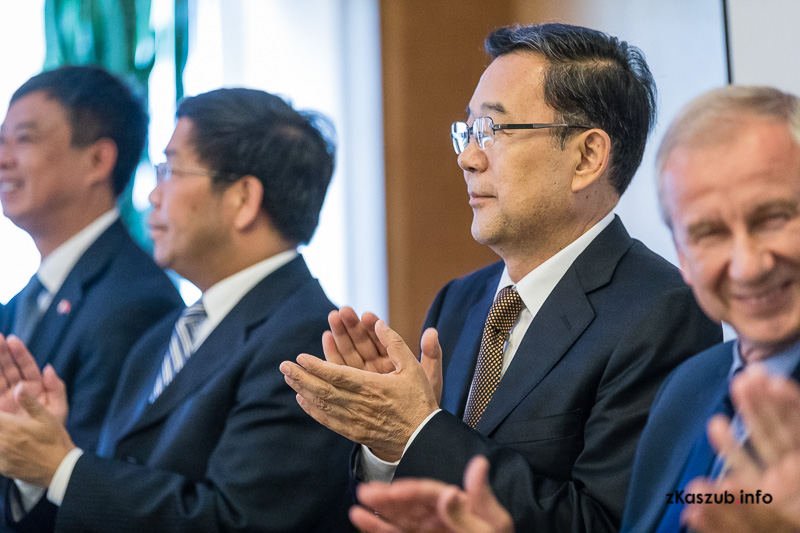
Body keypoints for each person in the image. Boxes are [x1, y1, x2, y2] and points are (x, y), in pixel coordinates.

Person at [280, 22, 721, 531]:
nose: (467, 157)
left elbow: (605, 522)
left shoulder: (663, 311)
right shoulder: (459, 300)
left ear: (586, 157)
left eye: (492, 130)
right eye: (466, 131)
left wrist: (417, 431)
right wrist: (386, 445)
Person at [0, 88, 352, 532]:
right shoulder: (161, 337)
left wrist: (62, 467)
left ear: (243, 198)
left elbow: (238, 522)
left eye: (171, 170)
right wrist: (38, 467)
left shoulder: (308, 343)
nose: (152, 195)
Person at [0, 66, 183, 519]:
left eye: (23, 139)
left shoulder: (138, 301)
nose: (3, 158)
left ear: (97, 161)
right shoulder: (25, 300)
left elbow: (102, 484)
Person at [618, 84, 800, 532]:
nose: (747, 267)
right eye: (710, 234)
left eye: (772, 218)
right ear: (682, 257)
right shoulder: (687, 386)